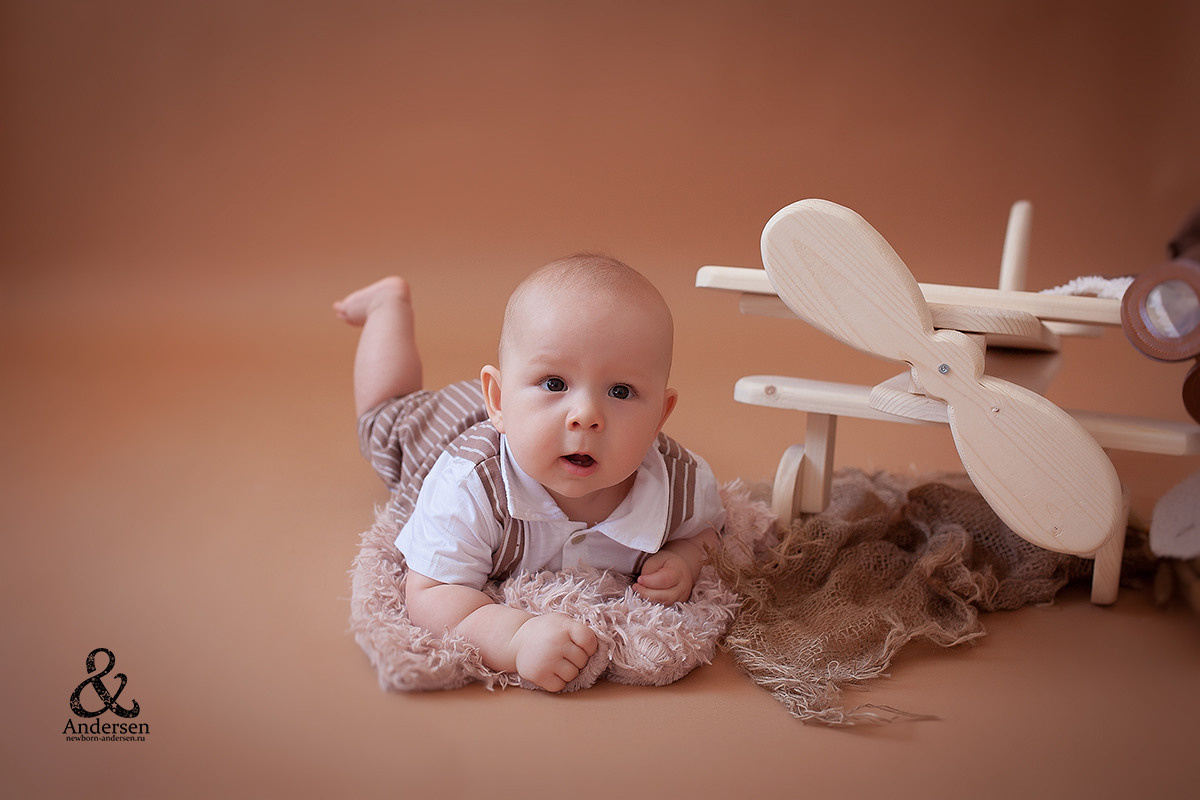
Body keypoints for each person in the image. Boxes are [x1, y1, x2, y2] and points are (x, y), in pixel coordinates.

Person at [334, 255, 725, 692]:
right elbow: (430, 595)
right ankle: (388, 306)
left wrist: (687, 558)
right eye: (555, 383)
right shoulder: (470, 487)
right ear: (498, 399)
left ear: (660, 416)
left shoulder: (680, 484)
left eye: (621, 391)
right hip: (442, 431)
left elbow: (710, 531)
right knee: (385, 418)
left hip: (524, 426)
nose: (586, 416)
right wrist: (516, 638)